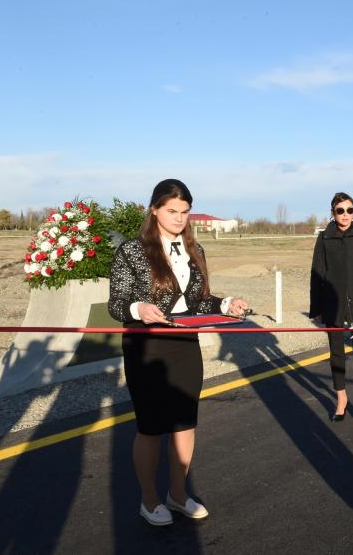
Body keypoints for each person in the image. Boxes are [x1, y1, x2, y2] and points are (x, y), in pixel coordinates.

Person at [108, 178, 249, 526]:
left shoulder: (196, 250)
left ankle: (177, 494)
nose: (179, 218)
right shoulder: (132, 251)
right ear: (154, 209)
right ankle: (149, 499)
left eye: (185, 212)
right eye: (172, 211)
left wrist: (227, 303)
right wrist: (139, 309)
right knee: (153, 426)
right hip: (147, 347)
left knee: (185, 422)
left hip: (185, 343)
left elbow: (200, 301)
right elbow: (117, 303)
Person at [309, 192, 353, 422]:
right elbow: (317, 274)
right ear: (333, 213)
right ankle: (341, 398)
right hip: (332, 303)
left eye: (349, 210)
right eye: (340, 211)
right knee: (336, 353)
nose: (345, 215)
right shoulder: (324, 239)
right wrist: (315, 307)